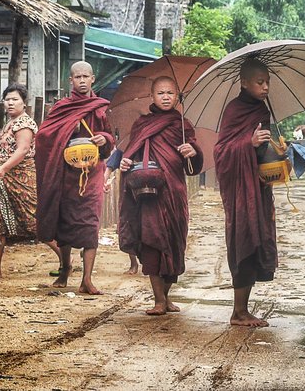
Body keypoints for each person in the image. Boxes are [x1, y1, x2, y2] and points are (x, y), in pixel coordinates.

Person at [118, 77, 203, 315]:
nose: (166, 97)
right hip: (149, 194)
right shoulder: (142, 124)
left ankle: (166, 297)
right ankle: (157, 299)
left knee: (175, 242)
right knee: (152, 242)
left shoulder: (182, 125)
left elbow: (194, 166)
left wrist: (192, 152)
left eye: (170, 93)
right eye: (160, 93)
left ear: (177, 97)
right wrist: (126, 162)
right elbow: (132, 154)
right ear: (152, 97)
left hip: (174, 192)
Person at [35, 61, 114, 294]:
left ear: (92, 79)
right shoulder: (62, 108)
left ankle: (87, 279)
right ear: (70, 81)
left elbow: (111, 138)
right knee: (66, 223)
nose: (81, 80)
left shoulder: (100, 108)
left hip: (92, 174)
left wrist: (104, 139)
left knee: (90, 224)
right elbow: (44, 136)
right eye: (77, 77)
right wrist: (65, 136)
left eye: (85, 76)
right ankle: (64, 269)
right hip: (67, 173)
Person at [0, 84, 60, 278]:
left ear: (24, 102)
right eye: (7, 99)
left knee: (34, 221)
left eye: (15, 99)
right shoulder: (10, 122)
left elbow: (23, 150)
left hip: (21, 180)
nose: (10, 103)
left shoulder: (24, 124)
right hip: (3, 180)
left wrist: (3, 168)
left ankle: (66, 261)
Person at [214, 58, 277, 327]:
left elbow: (264, 152)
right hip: (240, 190)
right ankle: (238, 312)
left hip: (259, 188)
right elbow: (221, 152)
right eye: (259, 82)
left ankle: (243, 309)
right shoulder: (234, 110)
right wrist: (246, 143)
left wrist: (276, 150)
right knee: (243, 239)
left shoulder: (262, 111)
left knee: (257, 239)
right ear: (244, 83)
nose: (265, 88)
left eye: (267, 82)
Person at [104, 141, 139, 275]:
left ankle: (150, 263)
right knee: (129, 223)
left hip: (152, 185)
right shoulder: (128, 140)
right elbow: (111, 164)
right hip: (129, 187)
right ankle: (133, 263)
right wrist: (104, 180)